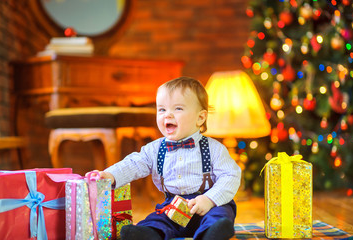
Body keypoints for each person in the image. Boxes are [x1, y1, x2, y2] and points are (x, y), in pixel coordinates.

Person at [88, 76, 241, 240]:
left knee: (220, 214)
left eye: (178, 109)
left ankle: (211, 234)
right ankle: (147, 234)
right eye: (162, 109)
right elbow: (133, 164)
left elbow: (230, 176)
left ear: (200, 118)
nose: (167, 115)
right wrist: (110, 175)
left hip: (207, 204)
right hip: (174, 206)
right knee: (158, 219)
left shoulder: (214, 149)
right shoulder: (155, 149)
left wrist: (210, 199)